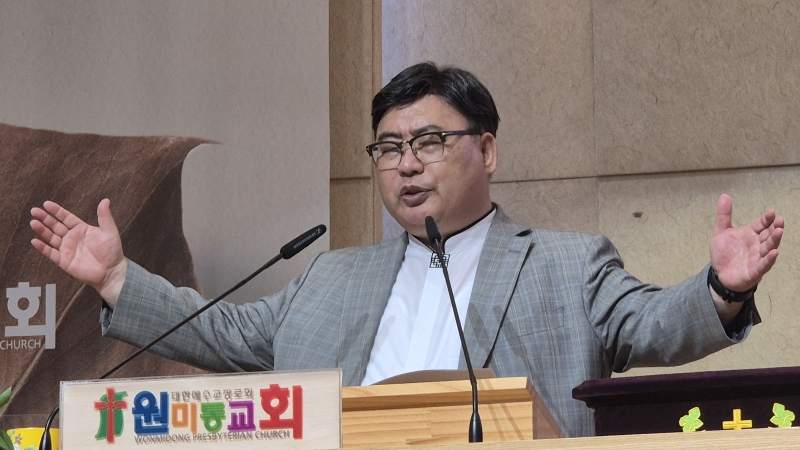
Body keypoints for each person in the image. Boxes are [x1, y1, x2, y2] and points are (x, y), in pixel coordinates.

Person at [29, 62, 784, 437]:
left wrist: (721, 289)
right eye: (388, 148)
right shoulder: (331, 276)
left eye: (429, 142)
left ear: (487, 150)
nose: (406, 164)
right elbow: (225, 334)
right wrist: (119, 278)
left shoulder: (566, 263)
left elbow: (652, 325)